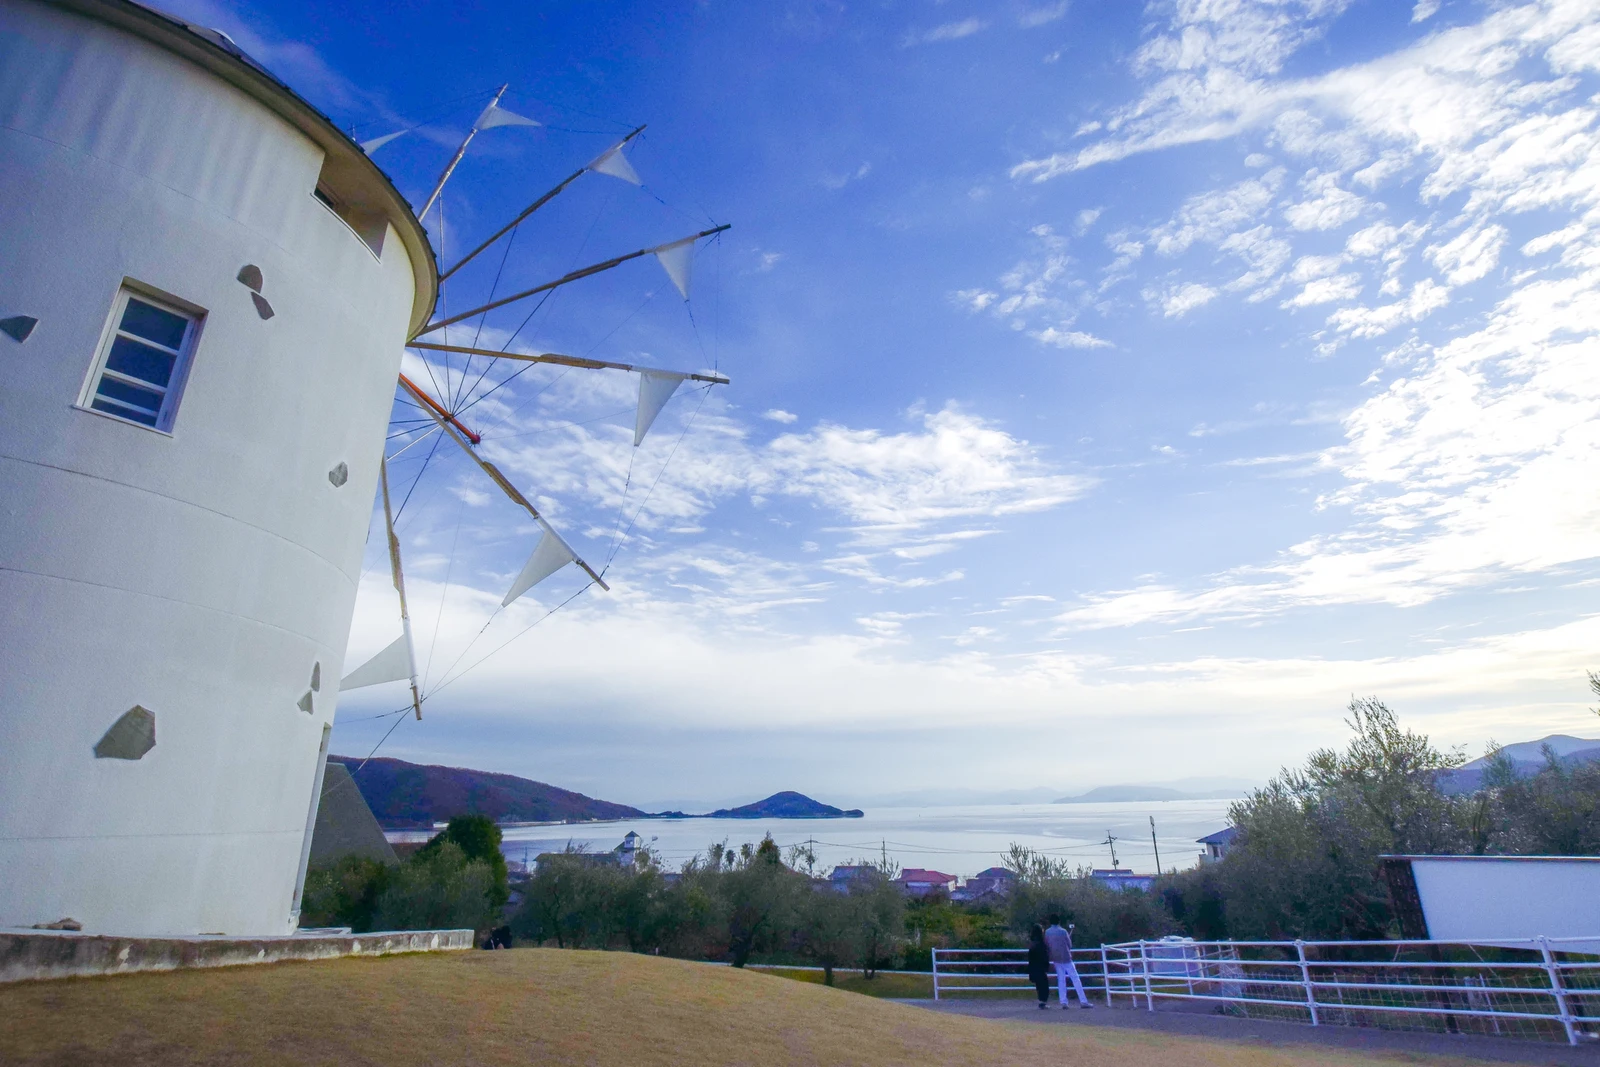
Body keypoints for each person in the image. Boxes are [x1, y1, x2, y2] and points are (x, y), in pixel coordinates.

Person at [1044, 914, 1092, 1008]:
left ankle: (1063, 1002)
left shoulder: (1047, 932)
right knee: (1075, 979)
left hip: (1056, 959)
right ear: (1059, 921)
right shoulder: (1063, 931)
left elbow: (1047, 945)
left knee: (1061, 980)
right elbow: (1069, 945)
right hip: (1066, 958)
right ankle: (1083, 1001)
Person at [1027, 924, 1051, 1009]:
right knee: (1044, 986)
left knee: (1039, 986)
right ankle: (1043, 1002)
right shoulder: (1041, 944)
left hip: (1034, 968)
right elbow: (1044, 956)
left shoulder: (1032, 943)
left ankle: (1041, 1002)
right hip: (1040, 968)